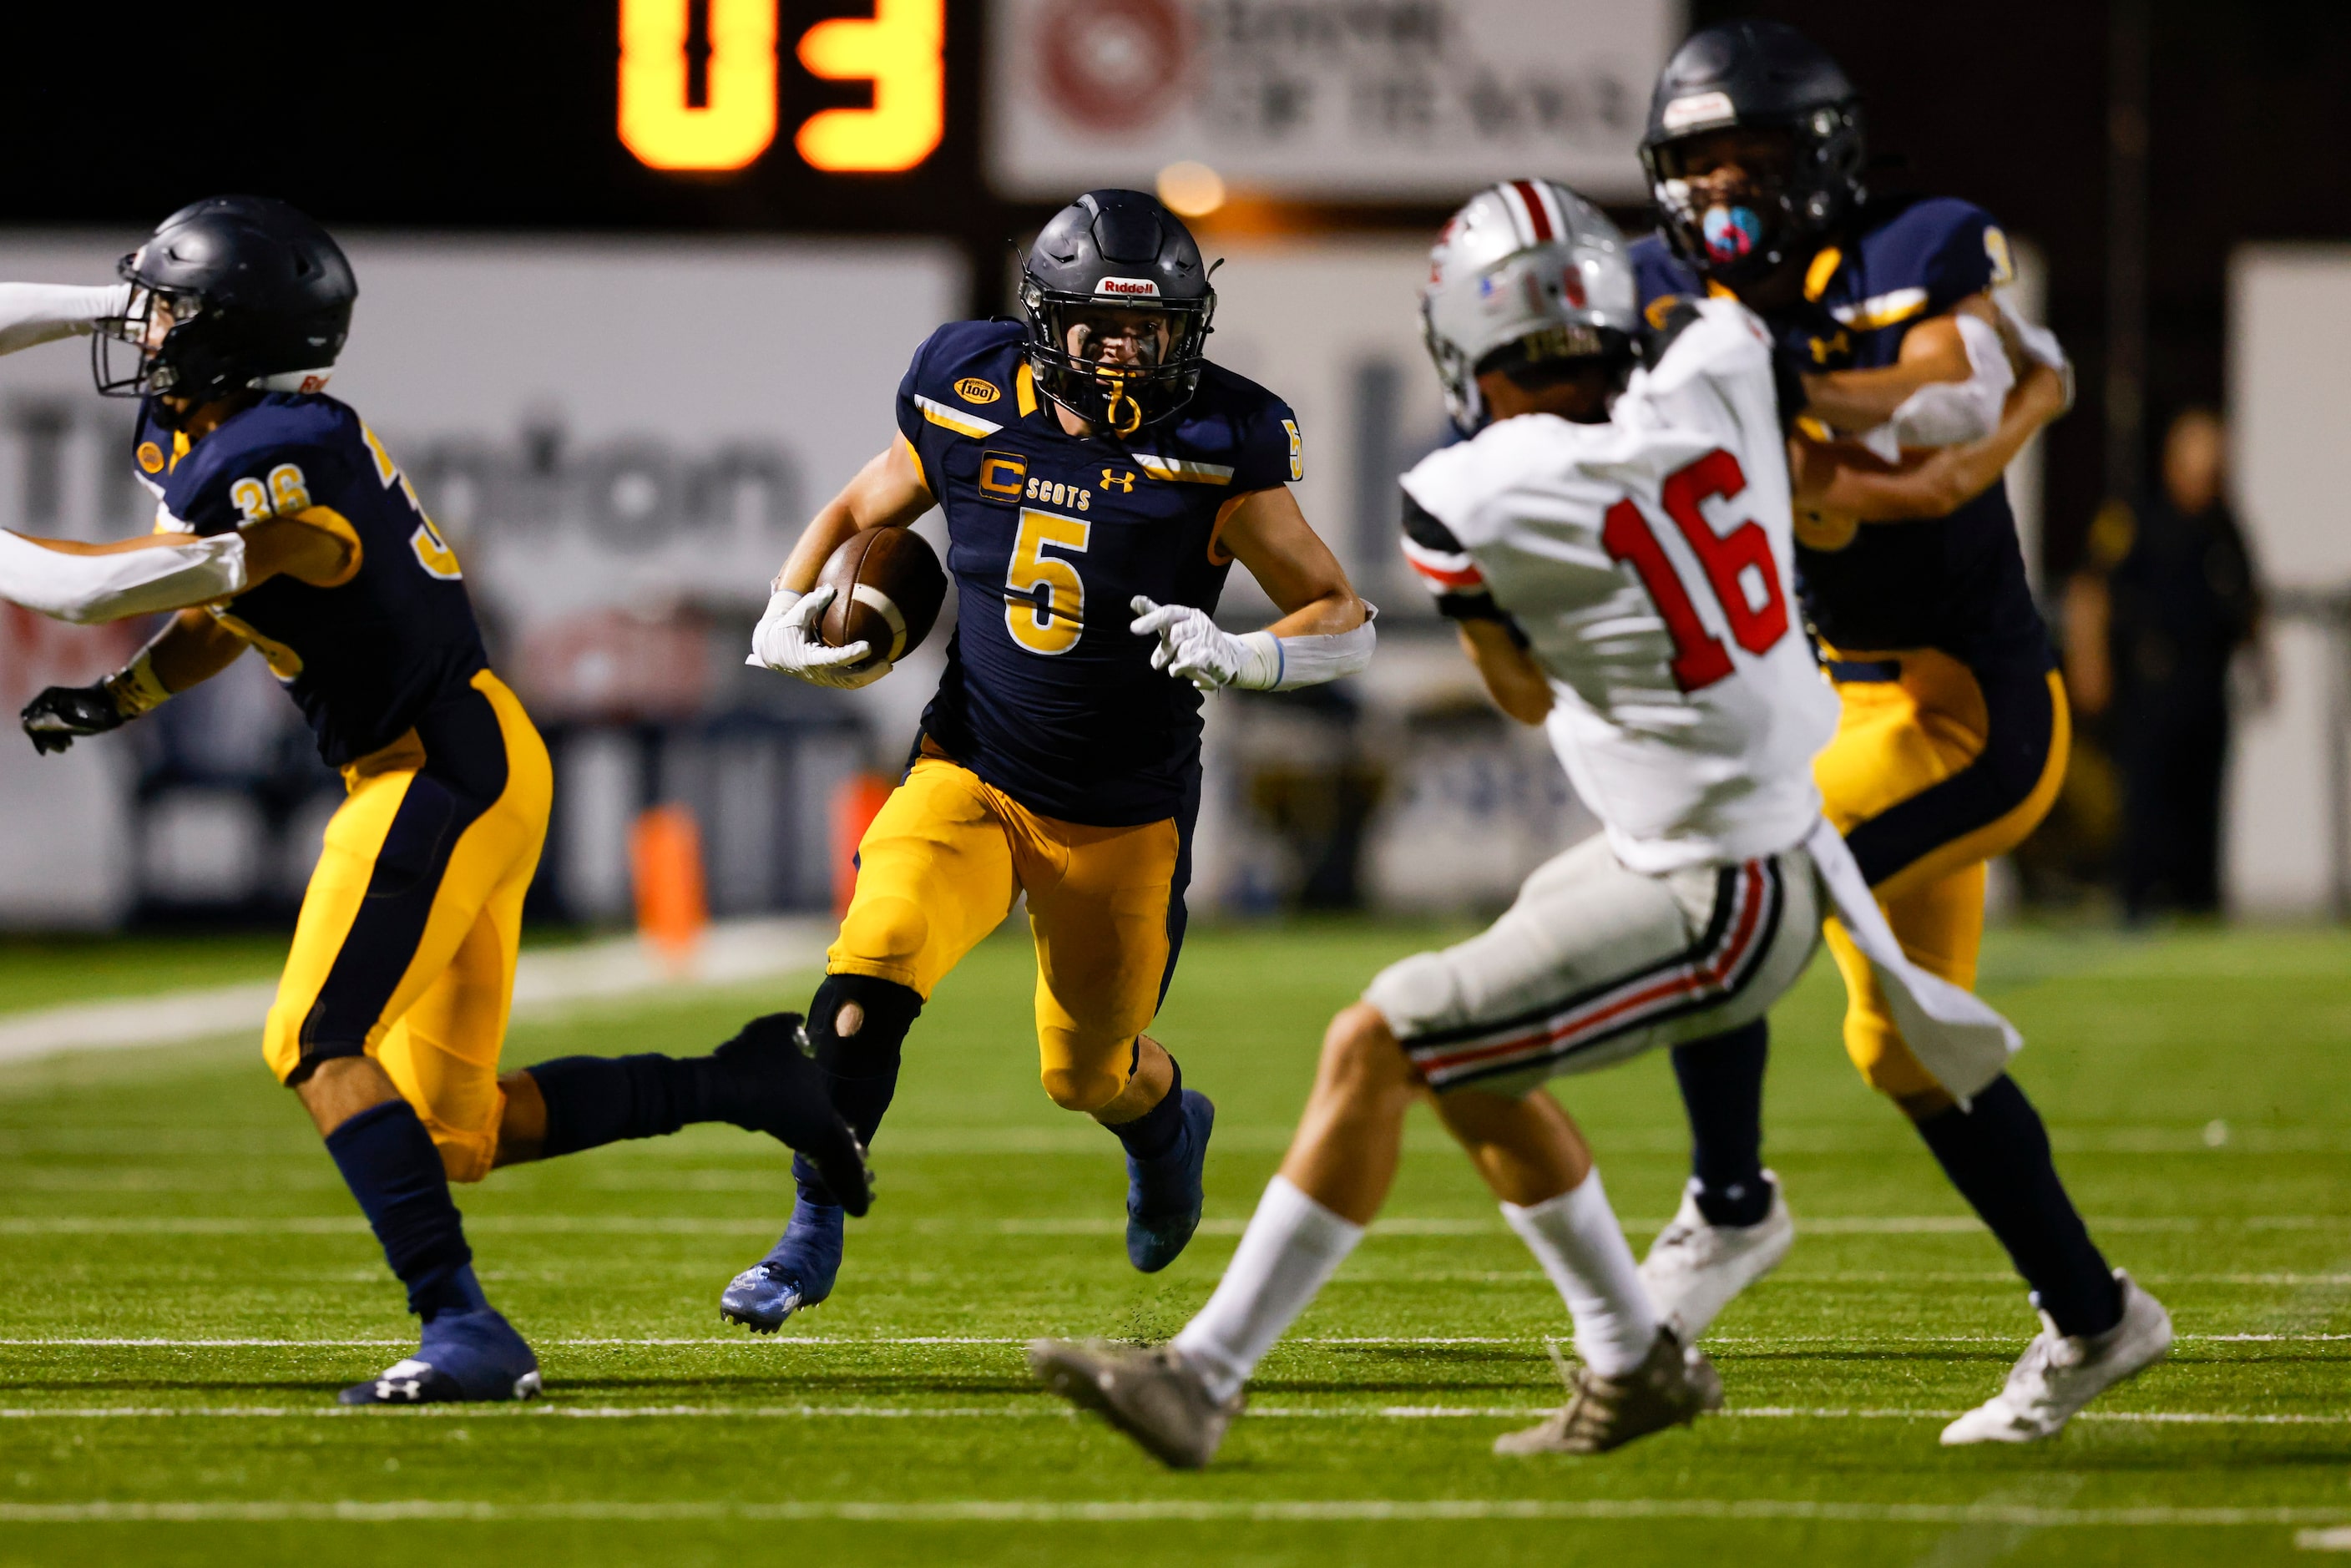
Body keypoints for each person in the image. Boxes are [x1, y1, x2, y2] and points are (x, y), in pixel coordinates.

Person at [1028, 179, 2024, 1468]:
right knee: (1473, 1065)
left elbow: (1521, 687)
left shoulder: (1470, 487)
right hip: (1752, 832)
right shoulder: (1714, 375)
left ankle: (1203, 1376)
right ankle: (1633, 1354)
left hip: (1717, 874)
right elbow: (1770, 393)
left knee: (1378, 1036)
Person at [0, 197, 870, 1405]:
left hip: (435, 771)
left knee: (313, 1039)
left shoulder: (278, 456)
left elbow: (110, 585)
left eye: (168, 309)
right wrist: (126, 697)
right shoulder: (213, 422)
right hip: (472, 759)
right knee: (456, 1132)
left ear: (233, 339)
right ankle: (749, 1079)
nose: (144, 329)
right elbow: (217, 609)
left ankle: (464, 1325)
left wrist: (98, 642)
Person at [1631, 20, 2172, 1443]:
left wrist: (1778, 391)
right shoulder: (1657, 286)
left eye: (1751, 158)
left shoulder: (1914, 244)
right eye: (1698, 164)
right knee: (1908, 1051)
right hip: (1831, 700)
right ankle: (2096, 1315)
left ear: (1821, 158)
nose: (1723, 191)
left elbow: (1952, 406)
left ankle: (1728, 1202)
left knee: (1731, 876)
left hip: (1967, 708)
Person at [731, 189, 1373, 1331]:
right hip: (972, 767)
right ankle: (808, 1229)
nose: (1129, 354)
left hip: (1122, 810)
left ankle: (1168, 1123)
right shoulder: (967, 389)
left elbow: (1342, 612)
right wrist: (786, 606)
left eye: (1153, 330)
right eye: (1104, 330)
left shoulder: (1222, 440)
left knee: (1086, 1073)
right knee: (868, 965)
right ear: (1046, 325)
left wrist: (1243, 652)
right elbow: (864, 502)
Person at [2065, 408, 2267, 918]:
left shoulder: (2225, 523)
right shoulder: (2134, 516)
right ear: (2174, 461)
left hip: (2207, 683)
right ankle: (2136, 902)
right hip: (2151, 685)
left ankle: (2200, 903)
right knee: (2147, 798)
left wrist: (2263, 664)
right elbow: (2090, 590)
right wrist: (2088, 666)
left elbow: (2247, 601)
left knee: (2204, 801)